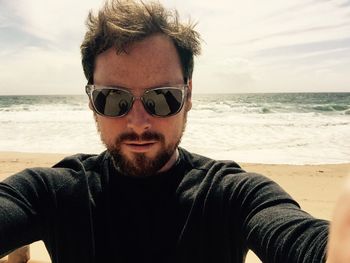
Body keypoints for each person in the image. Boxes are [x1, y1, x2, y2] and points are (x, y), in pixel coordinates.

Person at [0, 0, 348, 262]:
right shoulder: (52, 193)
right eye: (113, 99)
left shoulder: (232, 195)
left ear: (189, 95)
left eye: (163, 98)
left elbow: (300, 238)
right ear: (91, 100)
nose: (138, 123)